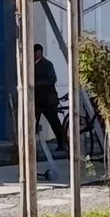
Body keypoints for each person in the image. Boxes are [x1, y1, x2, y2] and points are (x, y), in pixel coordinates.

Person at [31, 43, 68, 176]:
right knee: (33, 123)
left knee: (54, 122)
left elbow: (52, 79)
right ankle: (33, 146)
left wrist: (36, 84)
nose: (36, 54)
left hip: (48, 99)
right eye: (35, 52)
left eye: (38, 52)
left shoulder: (47, 64)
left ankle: (61, 143)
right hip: (36, 99)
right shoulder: (30, 64)